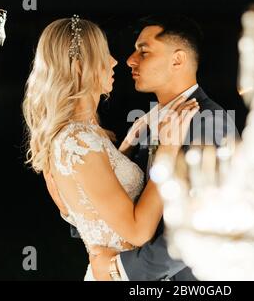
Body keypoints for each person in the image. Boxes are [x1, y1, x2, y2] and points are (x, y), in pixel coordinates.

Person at [22, 16, 199, 281]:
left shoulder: (81, 135)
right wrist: (167, 150)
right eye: (104, 53)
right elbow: (138, 231)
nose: (115, 61)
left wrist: (125, 147)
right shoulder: (79, 141)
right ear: (81, 66)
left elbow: (89, 197)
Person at [89, 15, 238, 281]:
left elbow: (202, 223)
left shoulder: (210, 122)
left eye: (143, 52)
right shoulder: (149, 122)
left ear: (177, 60)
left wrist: (122, 271)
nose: (130, 60)